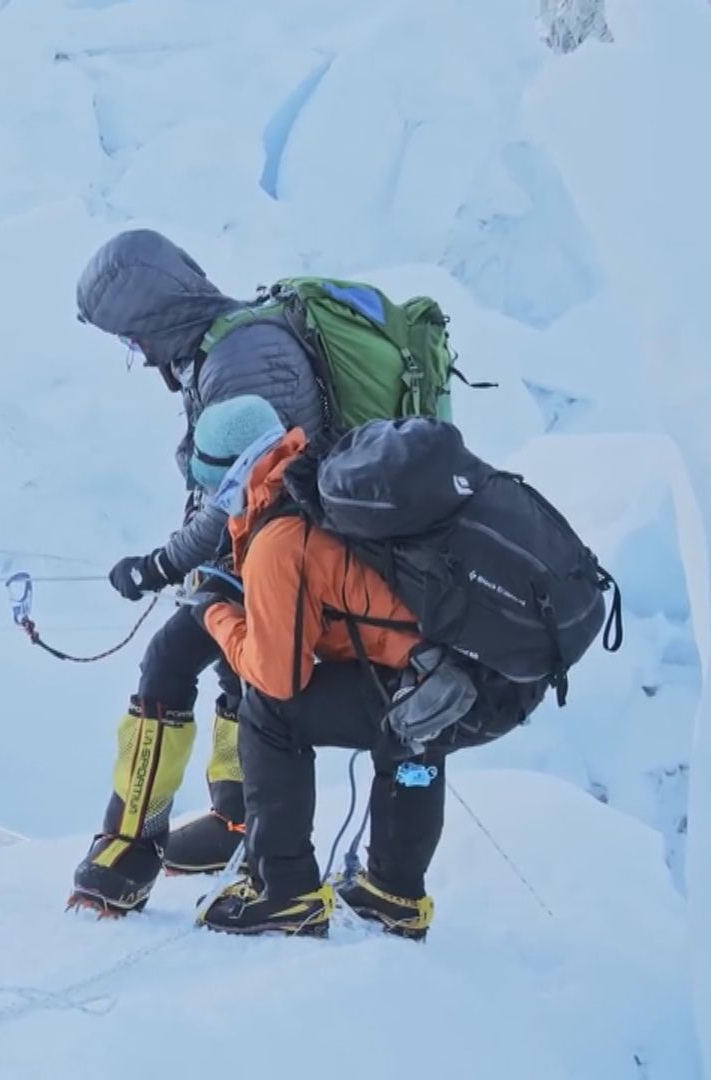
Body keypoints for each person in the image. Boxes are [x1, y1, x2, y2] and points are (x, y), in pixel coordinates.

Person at [181, 396, 547, 939]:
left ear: (230, 479)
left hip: (450, 690)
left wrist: (215, 612)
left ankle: (284, 891)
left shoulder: (279, 541)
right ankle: (394, 893)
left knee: (268, 712)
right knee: (410, 716)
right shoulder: (329, 481)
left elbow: (277, 676)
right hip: (498, 673)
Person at [66, 229, 330, 916]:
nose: (134, 353)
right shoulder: (227, 347)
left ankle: (129, 849)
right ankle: (235, 819)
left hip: (286, 550)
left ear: (151, 318)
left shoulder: (241, 362)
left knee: (168, 661)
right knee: (234, 670)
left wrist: (161, 565)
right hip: (275, 546)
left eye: (129, 338)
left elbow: (241, 489)